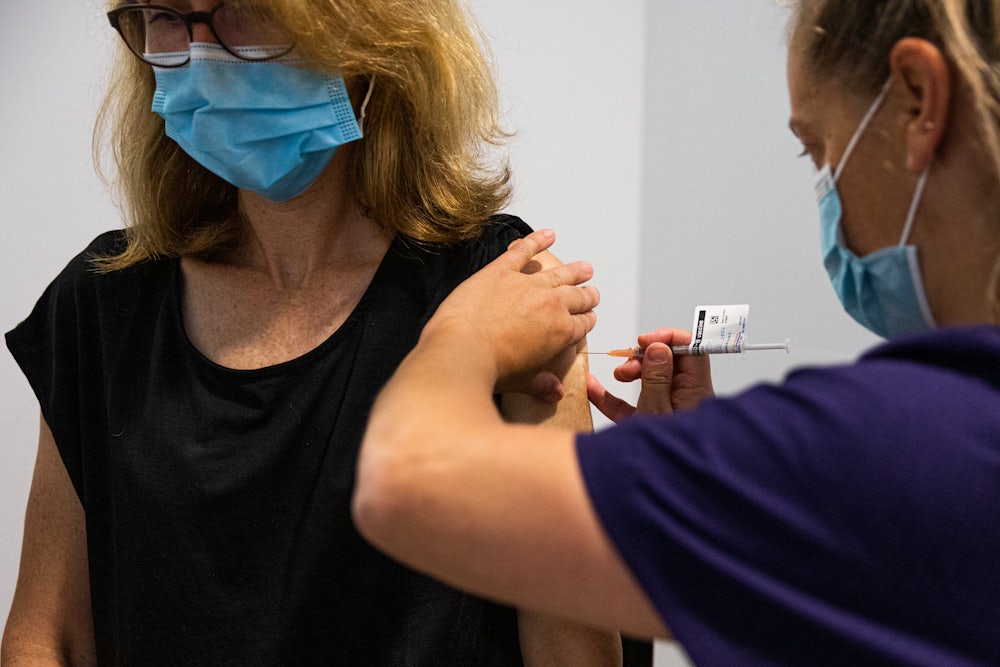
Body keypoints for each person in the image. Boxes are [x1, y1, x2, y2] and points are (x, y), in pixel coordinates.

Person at [352, 1, 1000, 664]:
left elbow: (403, 480)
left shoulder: (901, 444)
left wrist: (459, 330)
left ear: (920, 98)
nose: (827, 194)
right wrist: (681, 478)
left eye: (818, 151)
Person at [1, 1, 624, 664]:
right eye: (165, 16)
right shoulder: (103, 305)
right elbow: (48, 636)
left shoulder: (504, 291)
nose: (200, 53)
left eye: (239, 9)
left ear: (367, 33)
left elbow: (572, 650)